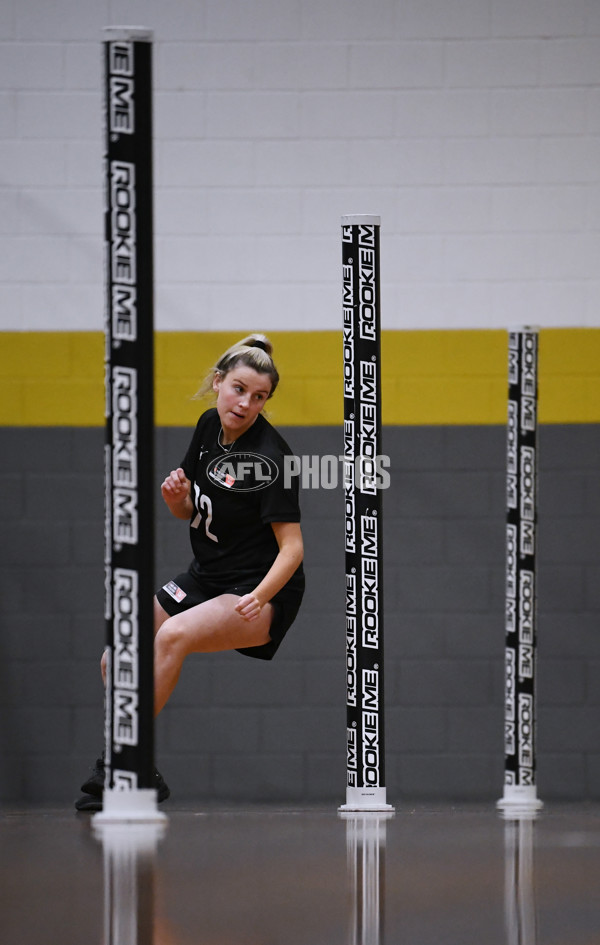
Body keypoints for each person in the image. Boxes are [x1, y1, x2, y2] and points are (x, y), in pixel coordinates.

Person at [75, 334, 305, 811]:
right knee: (114, 655)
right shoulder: (207, 427)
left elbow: (293, 550)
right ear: (219, 382)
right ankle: (142, 768)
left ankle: (121, 760)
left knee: (172, 636)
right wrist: (178, 500)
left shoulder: (271, 458)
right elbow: (191, 513)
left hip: (256, 588)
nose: (246, 403)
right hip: (205, 577)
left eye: (259, 397)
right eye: (239, 389)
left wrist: (261, 596)